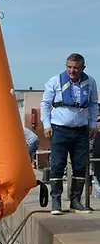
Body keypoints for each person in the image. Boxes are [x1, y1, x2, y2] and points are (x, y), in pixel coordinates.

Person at [40, 53, 98, 215]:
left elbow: (93, 105)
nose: (72, 71)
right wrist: (46, 125)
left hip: (81, 130)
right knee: (57, 165)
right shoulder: (55, 81)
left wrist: (93, 125)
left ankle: (75, 201)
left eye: (76, 68)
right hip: (59, 129)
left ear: (82, 68)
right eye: (69, 67)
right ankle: (56, 202)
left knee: (80, 166)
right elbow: (45, 104)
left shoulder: (90, 82)